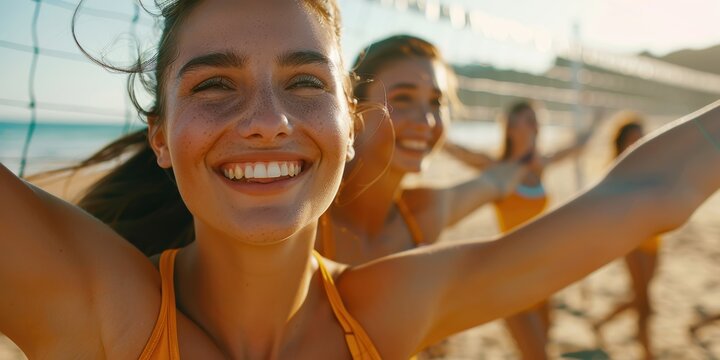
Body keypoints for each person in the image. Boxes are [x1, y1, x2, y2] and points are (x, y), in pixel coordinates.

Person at [1, 0, 720, 358]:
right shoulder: (105, 314)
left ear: (350, 121)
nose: (267, 120)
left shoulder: (380, 309)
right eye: (216, 84)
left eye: (304, 81)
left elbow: (646, 193)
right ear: (161, 138)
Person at [317, 35, 528, 265]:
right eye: (403, 99)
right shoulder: (306, 217)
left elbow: (495, 182)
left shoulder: (422, 214)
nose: (426, 121)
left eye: (436, 102)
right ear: (352, 110)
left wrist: (525, 158)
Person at [446, 100, 596, 359]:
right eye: (529, 119)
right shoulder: (497, 167)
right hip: (510, 274)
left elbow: (576, 147)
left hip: (543, 271)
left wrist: (596, 122)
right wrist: (437, 135)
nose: (536, 125)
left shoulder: (539, 165)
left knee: (543, 345)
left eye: (537, 119)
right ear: (511, 128)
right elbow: (460, 152)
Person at [592, 113, 659, 359]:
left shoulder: (653, 165)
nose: (637, 143)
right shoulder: (617, 172)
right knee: (645, 304)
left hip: (654, 239)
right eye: (632, 139)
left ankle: (602, 322)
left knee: (640, 296)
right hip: (632, 242)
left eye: (641, 138)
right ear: (621, 143)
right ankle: (647, 353)